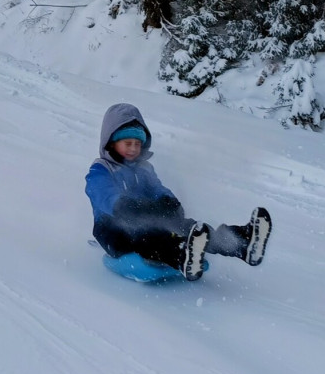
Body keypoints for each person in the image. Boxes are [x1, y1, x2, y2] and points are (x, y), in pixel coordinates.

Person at [86, 103, 272, 281]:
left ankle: (241, 243)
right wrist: (121, 205)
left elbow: (157, 188)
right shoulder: (102, 169)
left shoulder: (144, 168)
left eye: (137, 143)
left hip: (146, 215)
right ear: (111, 142)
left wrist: (168, 200)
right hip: (112, 227)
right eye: (128, 143)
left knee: (188, 226)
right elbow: (101, 192)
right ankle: (183, 256)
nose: (134, 148)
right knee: (146, 235)